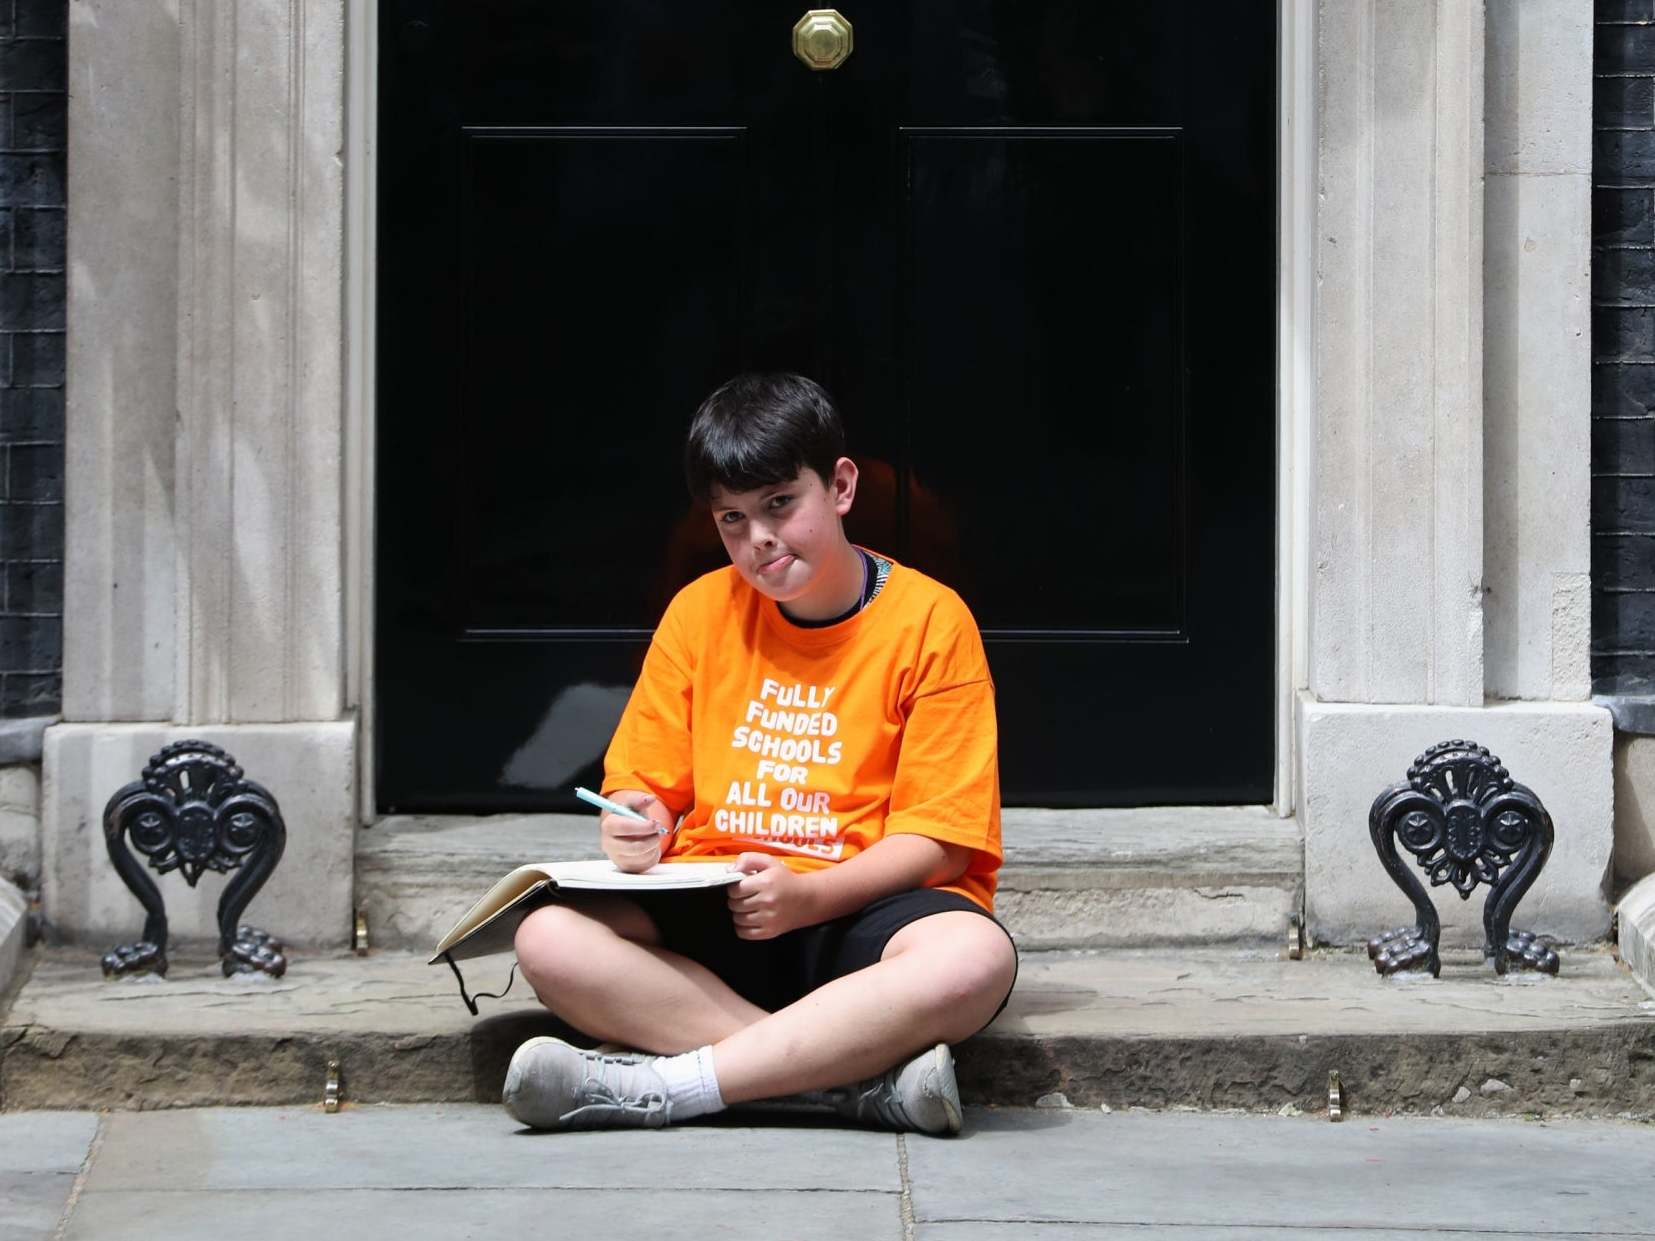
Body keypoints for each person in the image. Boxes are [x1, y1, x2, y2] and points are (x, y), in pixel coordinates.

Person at [504, 372, 1016, 1135]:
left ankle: (668, 1086)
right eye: (732, 520)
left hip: (857, 907)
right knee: (545, 935)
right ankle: (844, 1083)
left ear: (839, 486)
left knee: (974, 957)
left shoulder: (930, 620)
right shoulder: (699, 611)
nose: (759, 540)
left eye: (781, 504)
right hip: (718, 901)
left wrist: (811, 897)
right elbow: (647, 784)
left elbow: (938, 840)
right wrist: (636, 823)